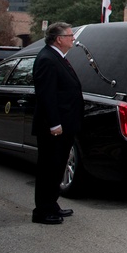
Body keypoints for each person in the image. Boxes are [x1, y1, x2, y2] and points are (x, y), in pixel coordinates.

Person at [31, 22, 83, 225]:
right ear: (59, 39)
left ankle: (52, 204)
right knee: (48, 168)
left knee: (58, 166)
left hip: (65, 124)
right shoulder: (47, 59)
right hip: (54, 127)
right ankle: (42, 211)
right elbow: (47, 95)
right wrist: (54, 124)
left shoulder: (58, 57)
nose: (73, 39)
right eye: (70, 36)